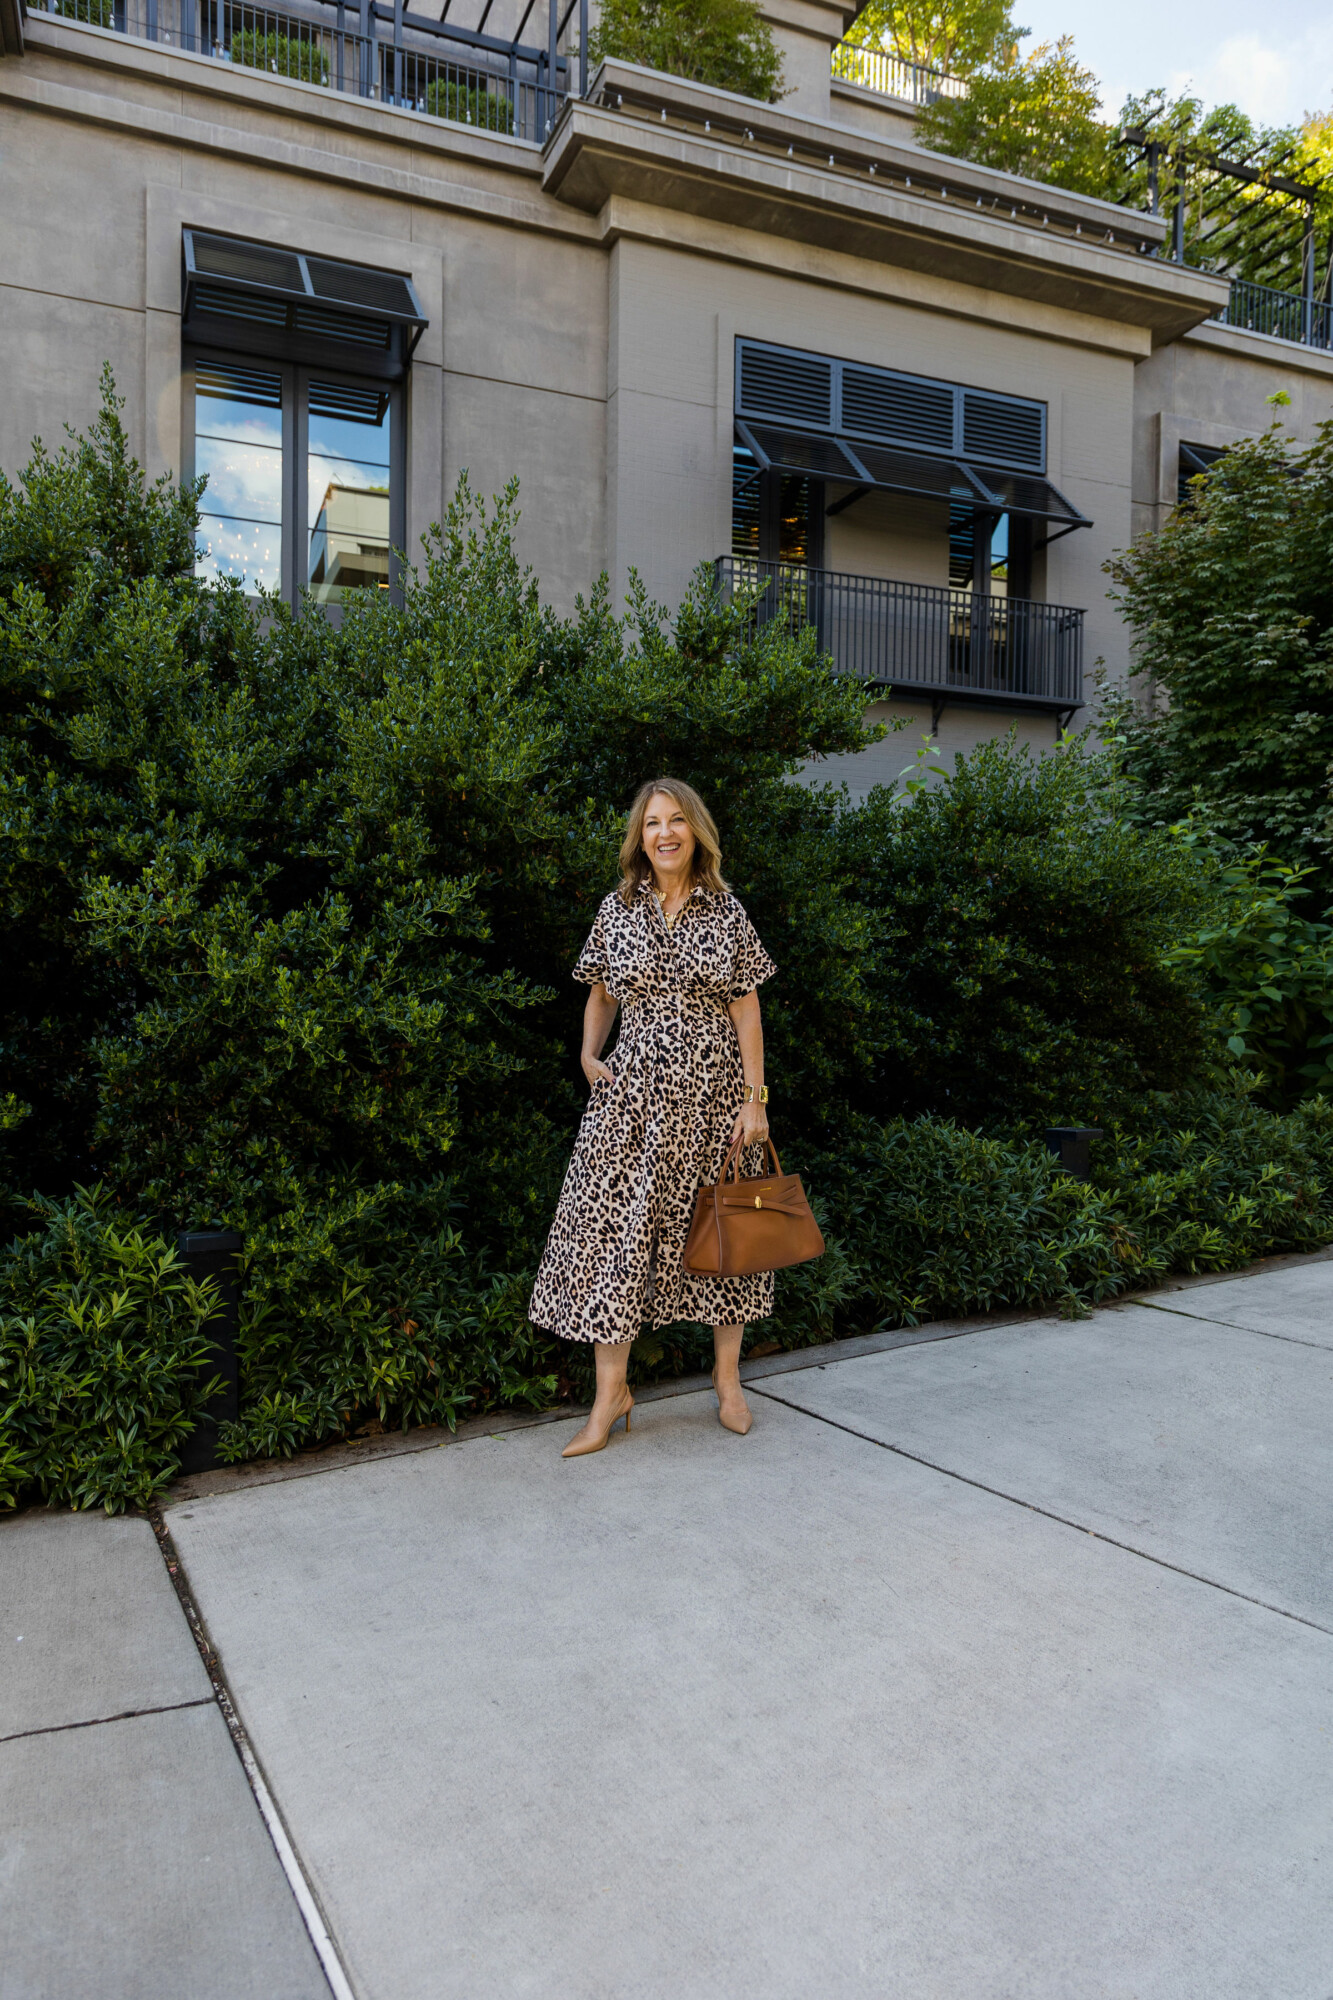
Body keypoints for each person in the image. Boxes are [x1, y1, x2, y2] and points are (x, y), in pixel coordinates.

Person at [529, 777, 776, 1457]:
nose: (663, 833)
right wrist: (586, 1051)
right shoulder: (616, 909)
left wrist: (754, 1101)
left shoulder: (725, 911)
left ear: (695, 830)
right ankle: (611, 1394)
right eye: (650, 824)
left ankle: (727, 1380)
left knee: (727, 1235)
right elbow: (601, 992)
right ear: (638, 838)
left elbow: (746, 1006)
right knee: (615, 1235)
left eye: (674, 821)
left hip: (713, 1098)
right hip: (631, 1097)